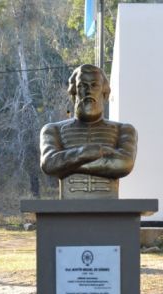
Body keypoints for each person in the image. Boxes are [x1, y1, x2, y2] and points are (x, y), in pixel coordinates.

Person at [40, 64, 137, 199]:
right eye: (82, 86)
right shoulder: (52, 130)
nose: (88, 91)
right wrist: (87, 152)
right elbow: (49, 164)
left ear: (105, 92)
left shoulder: (124, 130)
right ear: (74, 93)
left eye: (94, 85)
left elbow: (124, 164)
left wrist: (65, 165)